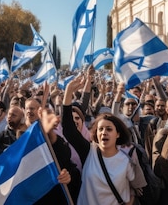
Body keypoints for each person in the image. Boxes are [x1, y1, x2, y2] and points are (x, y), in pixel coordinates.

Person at [61, 74, 142, 205]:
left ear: (118, 134)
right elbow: (69, 130)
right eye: (100, 129)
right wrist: (68, 93)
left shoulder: (127, 158)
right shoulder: (89, 152)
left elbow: (135, 189)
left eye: (109, 129)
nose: (104, 132)